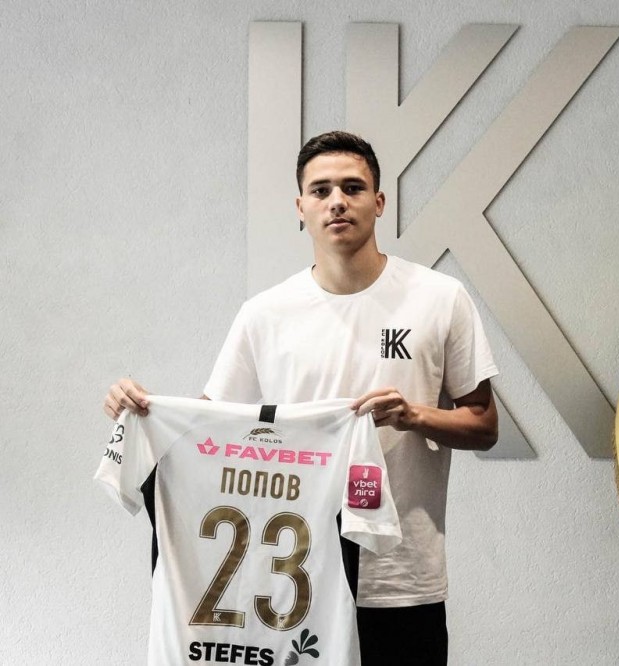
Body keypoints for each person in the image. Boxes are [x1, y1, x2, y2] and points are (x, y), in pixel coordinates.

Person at [103, 130, 499, 665]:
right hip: (294, 591)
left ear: (380, 202)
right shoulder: (265, 314)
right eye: (321, 190)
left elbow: (483, 424)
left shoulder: (439, 298)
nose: (337, 201)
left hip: (401, 579)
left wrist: (413, 416)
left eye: (353, 188)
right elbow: (206, 435)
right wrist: (144, 412)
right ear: (300, 208)